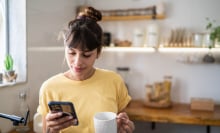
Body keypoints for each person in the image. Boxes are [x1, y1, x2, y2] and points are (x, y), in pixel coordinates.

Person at [37, 6, 135, 133]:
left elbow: (121, 120)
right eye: (72, 53)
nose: (77, 62)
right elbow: (46, 130)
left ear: (98, 52)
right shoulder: (49, 87)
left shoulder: (114, 81)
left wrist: (127, 127)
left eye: (86, 55)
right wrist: (51, 130)